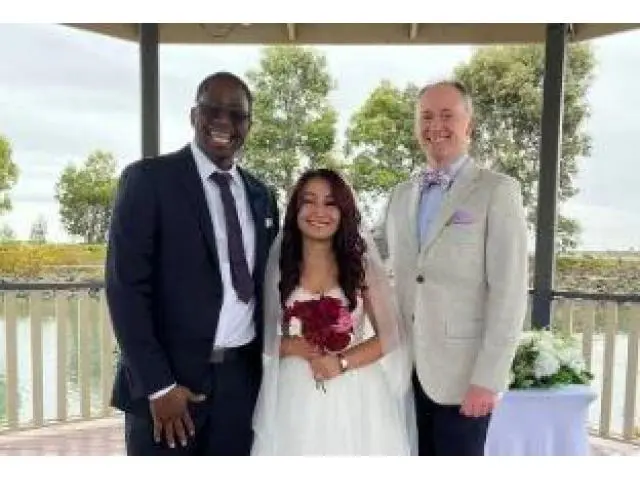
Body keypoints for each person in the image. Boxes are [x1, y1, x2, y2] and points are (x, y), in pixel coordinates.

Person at [105, 71, 280, 455]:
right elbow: (125, 289)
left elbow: (270, 283)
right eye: (212, 109)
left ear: (248, 125)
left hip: (240, 386)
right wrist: (158, 386)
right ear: (193, 115)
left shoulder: (262, 195)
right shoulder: (148, 180)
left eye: (236, 114)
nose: (223, 121)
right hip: (168, 388)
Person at [381, 80, 528, 455]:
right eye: (426, 116)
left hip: (464, 379)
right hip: (404, 373)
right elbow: (372, 257)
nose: (436, 126)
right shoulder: (400, 194)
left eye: (447, 115)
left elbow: (510, 293)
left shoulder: (497, 190)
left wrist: (488, 378)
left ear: (469, 125)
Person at [251, 168, 416, 455]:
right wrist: (290, 346)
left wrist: (341, 362)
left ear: (343, 212)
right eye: (309, 201)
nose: (319, 211)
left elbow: (391, 336)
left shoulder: (360, 266)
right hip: (293, 392)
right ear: (296, 208)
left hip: (357, 391)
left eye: (330, 203)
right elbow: (260, 336)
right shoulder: (277, 265)